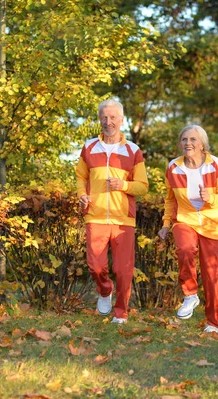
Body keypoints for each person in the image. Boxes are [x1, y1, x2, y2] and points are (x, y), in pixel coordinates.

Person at [75, 99, 149, 324]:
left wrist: (123, 185)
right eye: (105, 117)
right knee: (96, 266)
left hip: (123, 219)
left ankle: (121, 312)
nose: (109, 122)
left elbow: (143, 187)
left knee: (123, 269)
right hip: (95, 215)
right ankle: (105, 290)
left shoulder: (133, 150)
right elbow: (81, 177)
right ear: (100, 119)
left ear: (122, 120)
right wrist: (82, 195)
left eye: (113, 117)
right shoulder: (89, 147)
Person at [158, 125, 218, 333]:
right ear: (180, 143)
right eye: (184, 139)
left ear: (202, 144)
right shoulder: (173, 167)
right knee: (184, 249)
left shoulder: (215, 164)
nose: (188, 143)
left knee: (213, 275)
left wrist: (212, 198)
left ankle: (214, 322)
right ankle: (190, 294)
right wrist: (165, 224)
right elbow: (170, 200)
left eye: (193, 139)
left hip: (213, 223)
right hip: (185, 220)